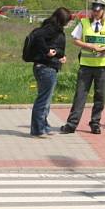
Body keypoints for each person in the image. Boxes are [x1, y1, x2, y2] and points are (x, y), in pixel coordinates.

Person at [60, 0, 105, 135]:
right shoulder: (83, 23)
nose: (95, 13)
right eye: (93, 10)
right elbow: (75, 39)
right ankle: (71, 124)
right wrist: (89, 45)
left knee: (100, 96)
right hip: (86, 66)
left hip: (103, 66)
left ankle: (95, 123)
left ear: (103, 10)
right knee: (80, 95)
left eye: (98, 10)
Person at [29, 7, 71, 138]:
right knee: (43, 100)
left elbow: (55, 45)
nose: (67, 24)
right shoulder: (51, 28)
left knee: (46, 101)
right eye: (67, 21)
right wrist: (47, 51)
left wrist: (59, 56)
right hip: (46, 68)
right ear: (62, 20)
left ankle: (44, 126)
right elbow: (38, 38)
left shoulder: (51, 27)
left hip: (47, 67)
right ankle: (37, 129)